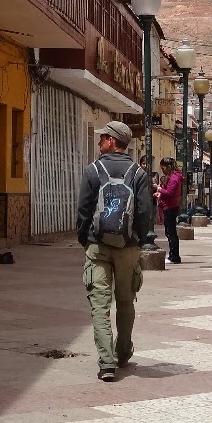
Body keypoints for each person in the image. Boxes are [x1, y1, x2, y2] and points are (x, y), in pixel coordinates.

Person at [76, 121, 151, 383]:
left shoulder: (92, 171)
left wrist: (85, 239)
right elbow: (144, 213)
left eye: (102, 138)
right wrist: (137, 240)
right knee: (126, 301)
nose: (99, 142)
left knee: (100, 304)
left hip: (97, 246)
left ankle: (106, 363)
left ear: (111, 141)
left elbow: (83, 211)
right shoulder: (138, 173)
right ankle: (123, 352)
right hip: (127, 247)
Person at [156, 157, 184, 264]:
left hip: (170, 207)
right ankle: (173, 255)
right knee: (169, 232)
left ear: (168, 167)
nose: (162, 171)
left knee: (171, 232)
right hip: (170, 206)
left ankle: (174, 256)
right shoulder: (174, 177)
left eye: (163, 168)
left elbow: (169, 193)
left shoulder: (173, 178)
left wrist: (158, 189)